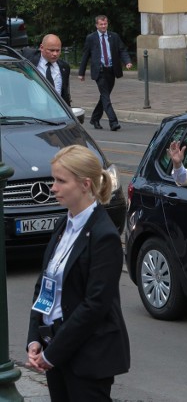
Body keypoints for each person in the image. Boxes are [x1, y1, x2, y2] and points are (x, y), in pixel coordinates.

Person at [26, 145, 130, 401]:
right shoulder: (65, 224)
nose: (53, 187)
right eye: (54, 179)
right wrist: (35, 338)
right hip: (56, 348)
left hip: (87, 358)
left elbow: (95, 305)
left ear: (85, 184)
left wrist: (53, 354)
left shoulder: (103, 235)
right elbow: (45, 285)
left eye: (61, 181)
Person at [78, 15, 132, 131]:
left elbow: (122, 50)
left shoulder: (114, 36)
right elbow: (85, 55)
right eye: (101, 24)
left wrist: (127, 62)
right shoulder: (91, 38)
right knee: (105, 96)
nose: (103, 26)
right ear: (96, 25)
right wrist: (81, 72)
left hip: (111, 70)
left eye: (105, 24)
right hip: (100, 71)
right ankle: (113, 122)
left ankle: (95, 119)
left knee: (104, 96)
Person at [28, 34, 72, 106]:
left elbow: (65, 92)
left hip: (57, 109)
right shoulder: (30, 62)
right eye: (51, 50)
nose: (55, 54)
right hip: (35, 109)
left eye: (58, 50)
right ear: (41, 47)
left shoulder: (64, 67)